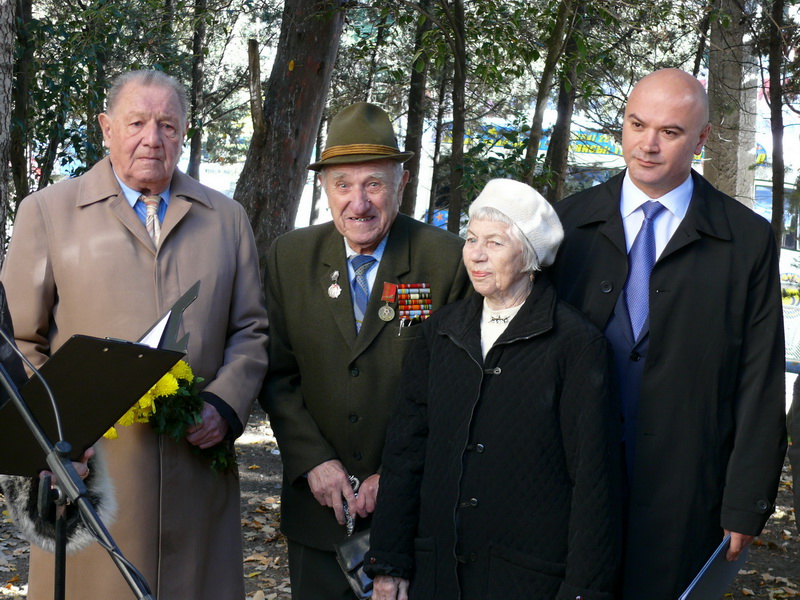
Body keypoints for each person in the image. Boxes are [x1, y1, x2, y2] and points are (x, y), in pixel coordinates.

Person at [0, 69, 269, 600]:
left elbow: (252, 330)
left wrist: (225, 405)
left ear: (184, 132)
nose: (153, 138)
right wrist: (53, 443)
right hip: (90, 478)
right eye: (137, 122)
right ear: (105, 128)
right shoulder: (48, 213)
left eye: (168, 125)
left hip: (196, 471)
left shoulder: (227, 220)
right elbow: (17, 345)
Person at [548, 68, 787, 599]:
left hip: (687, 492)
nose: (648, 145)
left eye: (670, 132)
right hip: (570, 484)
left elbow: (760, 380)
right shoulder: (566, 225)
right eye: (637, 125)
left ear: (701, 138)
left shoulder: (745, 239)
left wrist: (746, 501)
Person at [363, 178, 622, 600]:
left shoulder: (575, 344)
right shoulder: (439, 332)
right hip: (437, 571)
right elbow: (405, 452)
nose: (476, 255)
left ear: (530, 256)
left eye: (495, 243)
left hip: (528, 577)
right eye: (470, 239)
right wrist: (388, 562)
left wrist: (583, 592)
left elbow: (594, 480)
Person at [260, 101, 472, 600]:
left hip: (414, 515)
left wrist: (396, 475)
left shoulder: (445, 260)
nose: (359, 203)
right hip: (318, 512)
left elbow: (459, 389)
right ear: (325, 188)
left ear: (400, 182)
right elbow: (277, 374)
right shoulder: (289, 257)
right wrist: (314, 461)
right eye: (344, 185)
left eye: (374, 184)